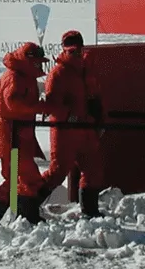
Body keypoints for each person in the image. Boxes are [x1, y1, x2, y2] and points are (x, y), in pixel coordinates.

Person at [0, 42, 59, 233]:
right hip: (10, 136)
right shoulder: (14, 78)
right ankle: (25, 219)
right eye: (37, 62)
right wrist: (40, 107)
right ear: (28, 61)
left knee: (14, 182)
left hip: (17, 135)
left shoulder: (23, 76)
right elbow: (13, 104)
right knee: (27, 179)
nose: (39, 66)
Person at [44, 31, 105, 217]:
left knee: (93, 170)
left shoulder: (86, 69)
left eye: (77, 48)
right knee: (58, 171)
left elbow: (94, 96)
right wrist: (68, 117)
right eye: (70, 48)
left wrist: (99, 119)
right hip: (66, 130)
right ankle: (28, 204)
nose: (74, 52)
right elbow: (52, 105)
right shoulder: (58, 73)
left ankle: (90, 211)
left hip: (85, 128)